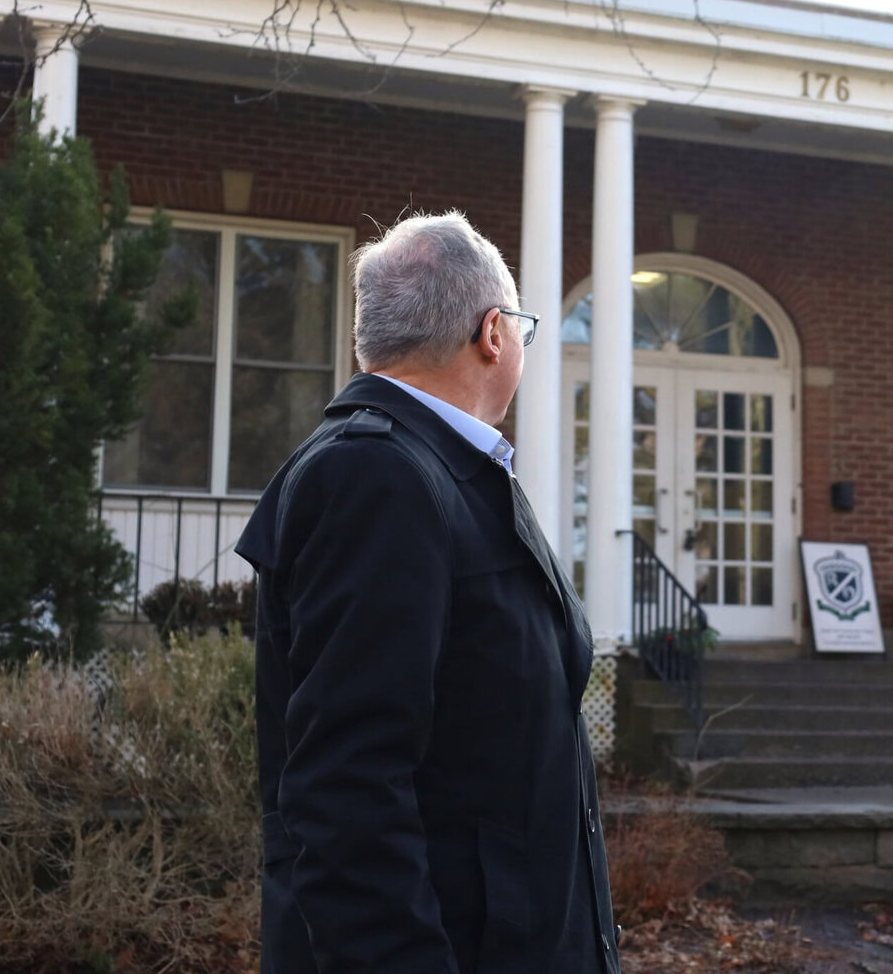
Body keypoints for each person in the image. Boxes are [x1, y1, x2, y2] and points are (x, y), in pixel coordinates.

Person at [237, 211, 620, 974]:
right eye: (522, 328)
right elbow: (347, 790)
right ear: (493, 333)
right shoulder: (375, 476)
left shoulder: (442, 470)